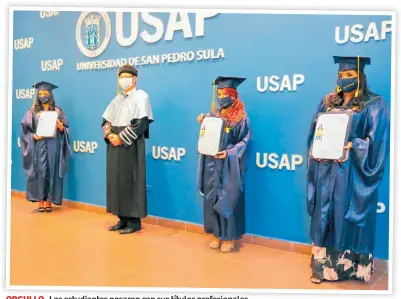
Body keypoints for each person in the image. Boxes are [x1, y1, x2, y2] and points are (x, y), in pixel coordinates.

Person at [307, 56, 390, 284]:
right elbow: (316, 132)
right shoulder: (329, 102)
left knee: (347, 214)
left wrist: (355, 145)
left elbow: (377, 141)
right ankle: (322, 269)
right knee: (325, 215)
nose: (344, 80)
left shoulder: (373, 103)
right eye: (341, 75)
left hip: (351, 172)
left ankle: (352, 268)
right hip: (326, 170)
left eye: (350, 76)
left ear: (360, 77)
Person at [197, 76, 251, 253]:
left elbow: (244, 142)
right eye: (218, 93)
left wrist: (228, 153)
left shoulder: (241, 118)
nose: (220, 97)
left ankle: (230, 237)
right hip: (212, 165)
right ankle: (216, 234)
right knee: (211, 198)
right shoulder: (214, 115)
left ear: (233, 96)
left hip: (228, 166)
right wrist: (203, 123)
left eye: (224, 94)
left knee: (227, 199)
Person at [102, 64, 154, 234]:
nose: (123, 79)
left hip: (130, 145)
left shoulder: (141, 97)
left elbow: (141, 123)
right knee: (116, 180)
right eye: (121, 76)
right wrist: (109, 134)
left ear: (134, 78)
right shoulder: (117, 99)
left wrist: (121, 138)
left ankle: (133, 221)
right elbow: (106, 120)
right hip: (114, 146)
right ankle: (121, 218)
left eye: (126, 76)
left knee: (131, 180)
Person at [20, 81, 71, 212]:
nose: (43, 96)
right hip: (38, 145)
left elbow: (65, 129)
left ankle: (49, 201)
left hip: (53, 144)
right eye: (40, 93)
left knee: (52, 171)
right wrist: (33, 136)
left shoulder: (57, 111)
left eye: (45, 93)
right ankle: (40, 201)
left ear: (50, 94)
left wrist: (61, 128)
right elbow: (25, 131)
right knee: (40, 171)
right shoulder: (32, 111)